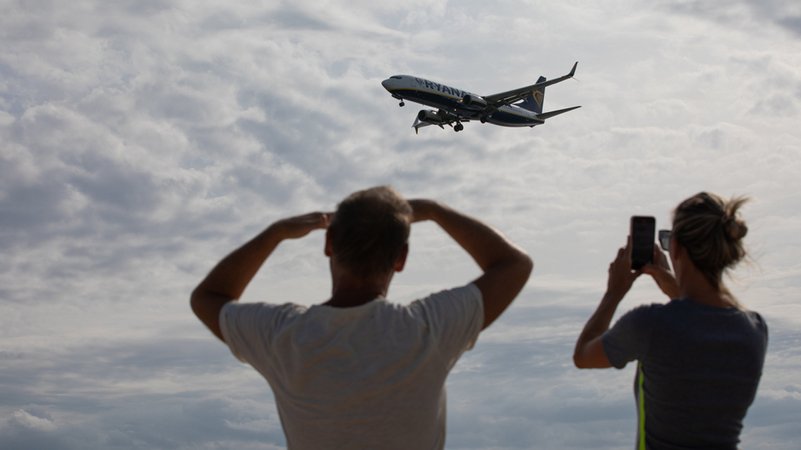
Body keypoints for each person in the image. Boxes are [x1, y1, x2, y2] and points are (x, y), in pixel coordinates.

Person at [190, 186, 533, 450]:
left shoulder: (281, 336)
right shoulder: (428, 330)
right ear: (401, 258)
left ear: (328, 244)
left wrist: (275, 233)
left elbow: (209, 297)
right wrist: (434, 210)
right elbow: (514, 264)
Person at [573, 192, 768, 449]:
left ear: (675, 247)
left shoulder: (651, 325)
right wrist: (675, 290)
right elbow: (702, 324)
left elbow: (584, 355)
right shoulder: (754, 330)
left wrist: (614, 292)